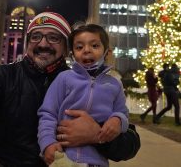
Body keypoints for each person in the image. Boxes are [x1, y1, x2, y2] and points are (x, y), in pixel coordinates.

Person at [0, 11, 140, 166]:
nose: (43, 44)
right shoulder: (5, 76)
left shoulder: (87, 83)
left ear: (66, 48)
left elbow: (131, 142)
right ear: (27, 42)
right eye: (36, 37)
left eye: (53, 38)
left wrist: (99, 135)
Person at [38, 24, 129, 166]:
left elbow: (122, 112)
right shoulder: (64, 78)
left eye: (94, 45)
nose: (87, 50)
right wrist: (48, 142)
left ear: (106, 52)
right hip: (63, 158)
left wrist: (117, 120)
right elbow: (48, 113)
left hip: (97, 162)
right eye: (79, 47)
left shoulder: (114, 85)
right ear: (72, 54)